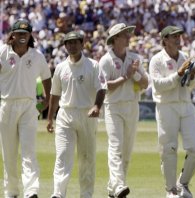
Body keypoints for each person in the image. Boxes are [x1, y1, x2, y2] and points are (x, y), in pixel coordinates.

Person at [46, 31, 106, 198]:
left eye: (75, 42)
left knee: (87, 158)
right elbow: (55, 94)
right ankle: (58, 193)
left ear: (82, 44)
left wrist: (97, 106)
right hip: (65, 114)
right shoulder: (60, 68)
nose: (72, 45)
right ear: (65, 46)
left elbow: (102, 88)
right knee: (63, 155)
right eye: (68, 43)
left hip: (88, 114)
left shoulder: (93, 65)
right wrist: (50, 118)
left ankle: (86, 194)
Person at [149, 25, 195, 198]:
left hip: (185, 104)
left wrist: (194, 77)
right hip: (166, 106)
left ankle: (183, 184)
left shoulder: (185, 57)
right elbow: (158, 85)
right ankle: (171, 190)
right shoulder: (156, 60)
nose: (177, 39)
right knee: (169, 149)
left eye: (179, 36)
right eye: (173, 36)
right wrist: (178, 74)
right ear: (165, 40)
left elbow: (190, 84)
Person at [0, 19, 51, 198]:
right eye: (19, 33)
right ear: (12, 35)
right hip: (6, 105)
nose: (22, 37)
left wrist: (47, 100)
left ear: (30, 36)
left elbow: (46, 77)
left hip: (28, 107)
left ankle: (31, 191)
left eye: (25, 34)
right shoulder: (2, 53)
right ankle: (11, 192)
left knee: (28, 151)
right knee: (9, 153)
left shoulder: (37, 56)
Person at [99, 23, 149, 198]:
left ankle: (115, 189)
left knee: (126, 152)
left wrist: (134, 73)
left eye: (128, 33)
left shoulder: (134, 57)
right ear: (115, 39)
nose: (129, 36)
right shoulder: (105, 60)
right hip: (113, 107)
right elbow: (105, 87)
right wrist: (126, 75)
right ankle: (119, 184)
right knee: (115, 146)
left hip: (131, 106)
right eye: (124, 34)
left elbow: (145, 83)